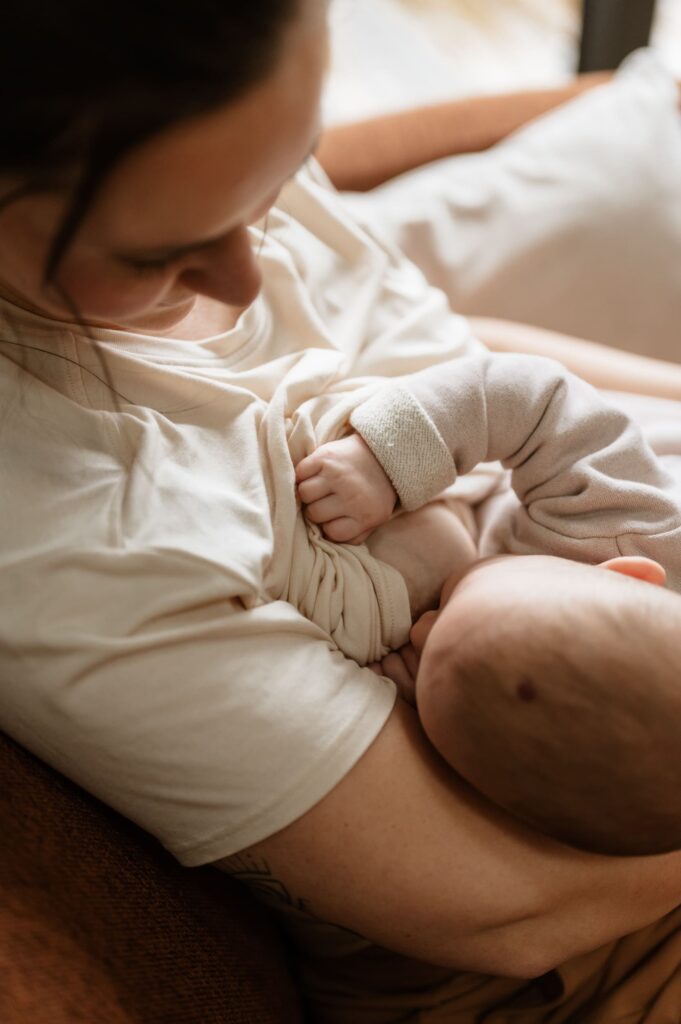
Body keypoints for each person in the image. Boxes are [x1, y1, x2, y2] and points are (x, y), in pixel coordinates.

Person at [2, 2, 681, 1022]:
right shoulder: (65, 532)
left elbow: (464, 364)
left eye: (289, 167)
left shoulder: (217, 124)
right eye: (157, 257)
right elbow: (510, 913)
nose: (250, 272)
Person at [295, 350, 681, 856]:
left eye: (426, 649)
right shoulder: (628, 521)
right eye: (459, 597)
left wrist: (425, 686)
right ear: (625, 575)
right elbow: (528, 392)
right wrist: (385, 461)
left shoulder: (546, 767)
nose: (419, 630)